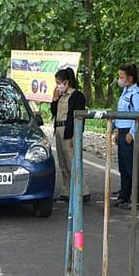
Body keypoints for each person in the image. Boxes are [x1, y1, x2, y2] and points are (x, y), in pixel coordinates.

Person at [111, 63, 139, 210]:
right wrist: (117, 131)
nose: (120, 79)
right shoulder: (125, 91)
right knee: (123, 167)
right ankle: (124, 195)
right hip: (122, 131)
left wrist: (132, 133)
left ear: (130, 78)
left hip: (130, 133)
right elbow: (121, 114)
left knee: (132, 168)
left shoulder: (136, 94)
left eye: (122, 77)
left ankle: (137, 199)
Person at [51, 67, 91, 203]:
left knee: (72, 162)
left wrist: (76, 135)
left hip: (70, 132)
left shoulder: (77, 96)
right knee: (63, 163)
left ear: (66, 82)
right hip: (59, 129)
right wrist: (55, 99)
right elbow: (54, 112)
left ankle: (82, 191)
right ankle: (67, 190)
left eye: (59, 82)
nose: (58, 86)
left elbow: (79, 117)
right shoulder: (61, 96)